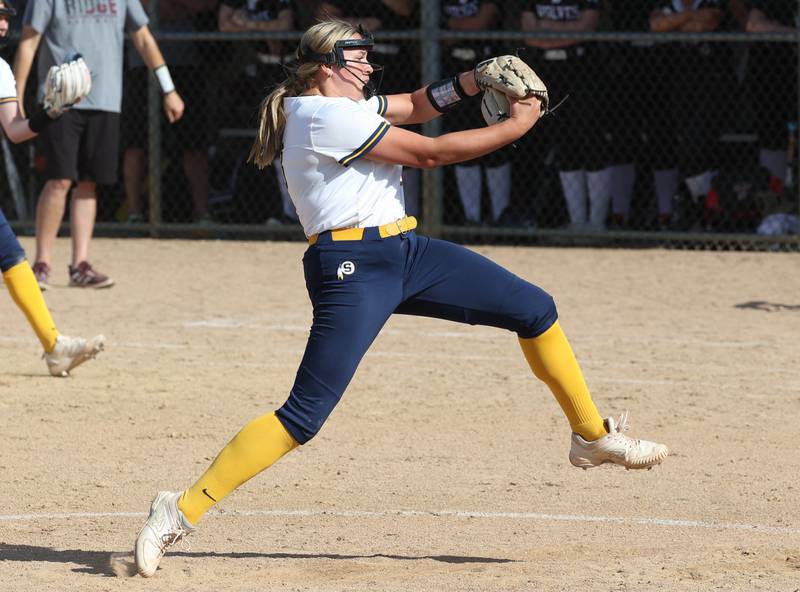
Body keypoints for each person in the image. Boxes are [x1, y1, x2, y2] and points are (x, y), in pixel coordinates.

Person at [132, 20, 668, 578]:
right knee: (303, 416)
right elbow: (430, 153)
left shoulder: (344, 106)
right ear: (324, 65)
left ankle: (591, 436)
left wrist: (469, 80)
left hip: (407, 252)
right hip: (352, 268)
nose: (367, 65)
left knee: (535, 309)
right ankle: (180, 508)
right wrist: (517, 125)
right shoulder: (322, 114)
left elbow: (414, 103)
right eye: (356, 57)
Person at [13, 0, 185, 290]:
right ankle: (41, 265)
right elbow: (29, 44)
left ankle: (80, 265)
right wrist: (14, 102)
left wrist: (168, 88)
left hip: (106, 99)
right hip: (59, 101)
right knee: (60, 180)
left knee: (89, 182)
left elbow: (143, 37)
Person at [0, 0, 104, 376]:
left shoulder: (1, 70)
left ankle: (54, 346)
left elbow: (15, 130)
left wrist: (52, 112)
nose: (3, 23)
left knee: (11, 254)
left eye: (5, 17)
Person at [520, 0, 612, 230]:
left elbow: (586, 29)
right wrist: (566, 31)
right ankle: (578, 221)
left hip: (584, 72)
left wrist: (547, 29)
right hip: (548, 73)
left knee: (591, 143)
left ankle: (597, 223)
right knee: (565, 145)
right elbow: (529, 35)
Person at [124, 0, 214, 225]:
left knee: (194, 143)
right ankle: (134, 214)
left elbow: (204, 6)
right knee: (135, 144)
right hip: (140, 69)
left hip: (186, 65)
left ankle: (202, 215)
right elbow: (139, 9)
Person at [218, 0, 298, 224]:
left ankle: (295, 213)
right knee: (272, 144)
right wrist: (264, 27)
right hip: (263, 71)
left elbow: (284, 26)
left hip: (290, 70)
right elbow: (224, 24)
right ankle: (287, 212)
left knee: (290, 142)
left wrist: (246, 23)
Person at [744, 0, 798, 191]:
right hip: (776, 73)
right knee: (773, 135)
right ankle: (775, 203)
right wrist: (793, 34)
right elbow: (755, 24)